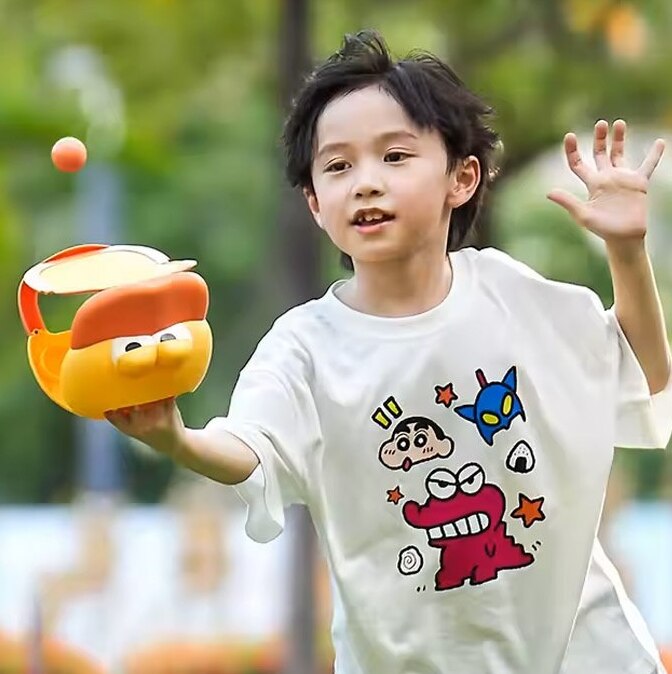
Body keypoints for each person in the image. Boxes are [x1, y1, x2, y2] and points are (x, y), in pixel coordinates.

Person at [106, 30, 672, 674]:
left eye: (395, 156)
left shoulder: (515, 296)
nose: (365, 183)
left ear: (462, 177)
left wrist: (627, 251)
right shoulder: (305, 347)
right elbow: (252, 448)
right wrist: (177, 439)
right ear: (315, 203)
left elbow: (642, 378)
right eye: (338, 167)